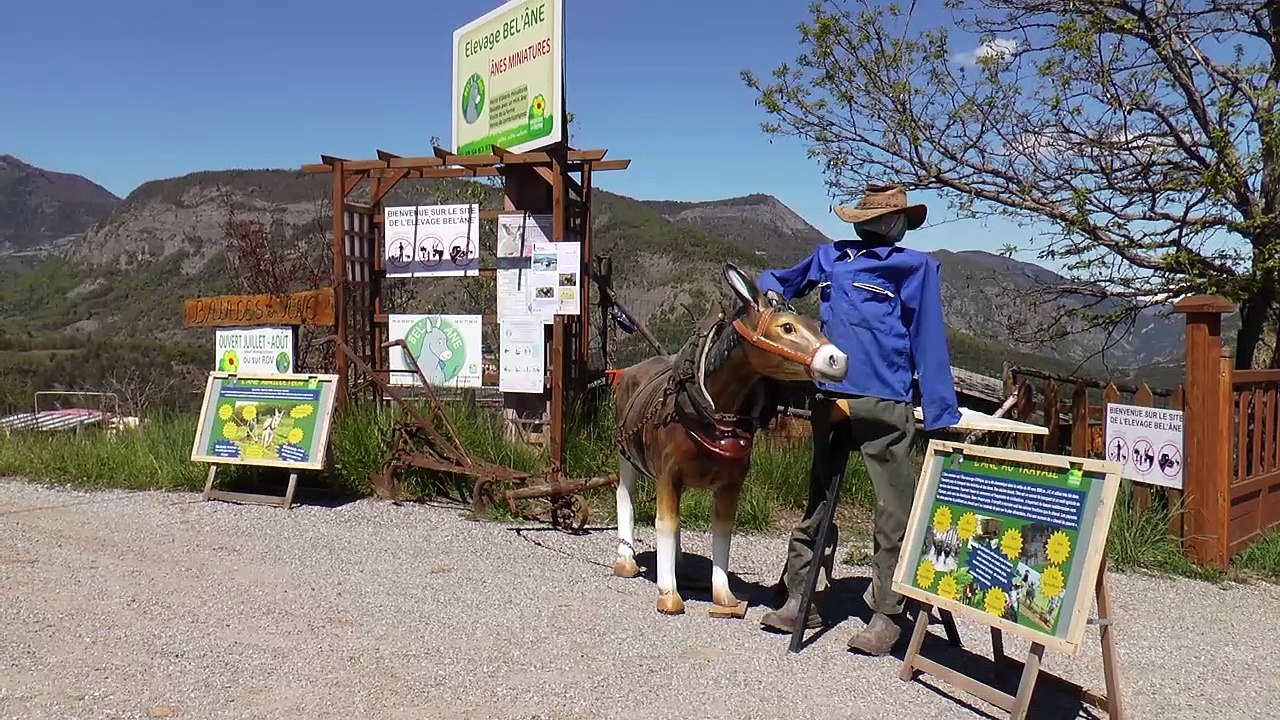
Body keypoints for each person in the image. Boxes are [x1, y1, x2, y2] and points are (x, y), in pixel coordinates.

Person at [755, 183, 961, 656]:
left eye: (891, 219)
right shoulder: (831, 257)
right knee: (819, 498)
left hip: (885, 402)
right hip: (830, 397)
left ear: (898, 223)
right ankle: (801, 595)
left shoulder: (915, 267)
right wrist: (769, 293)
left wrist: (938, 408)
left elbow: (927, 334)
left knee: (893, 509)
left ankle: (888, 612)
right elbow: (780, 279)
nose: (885, 226)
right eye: (880, 218)